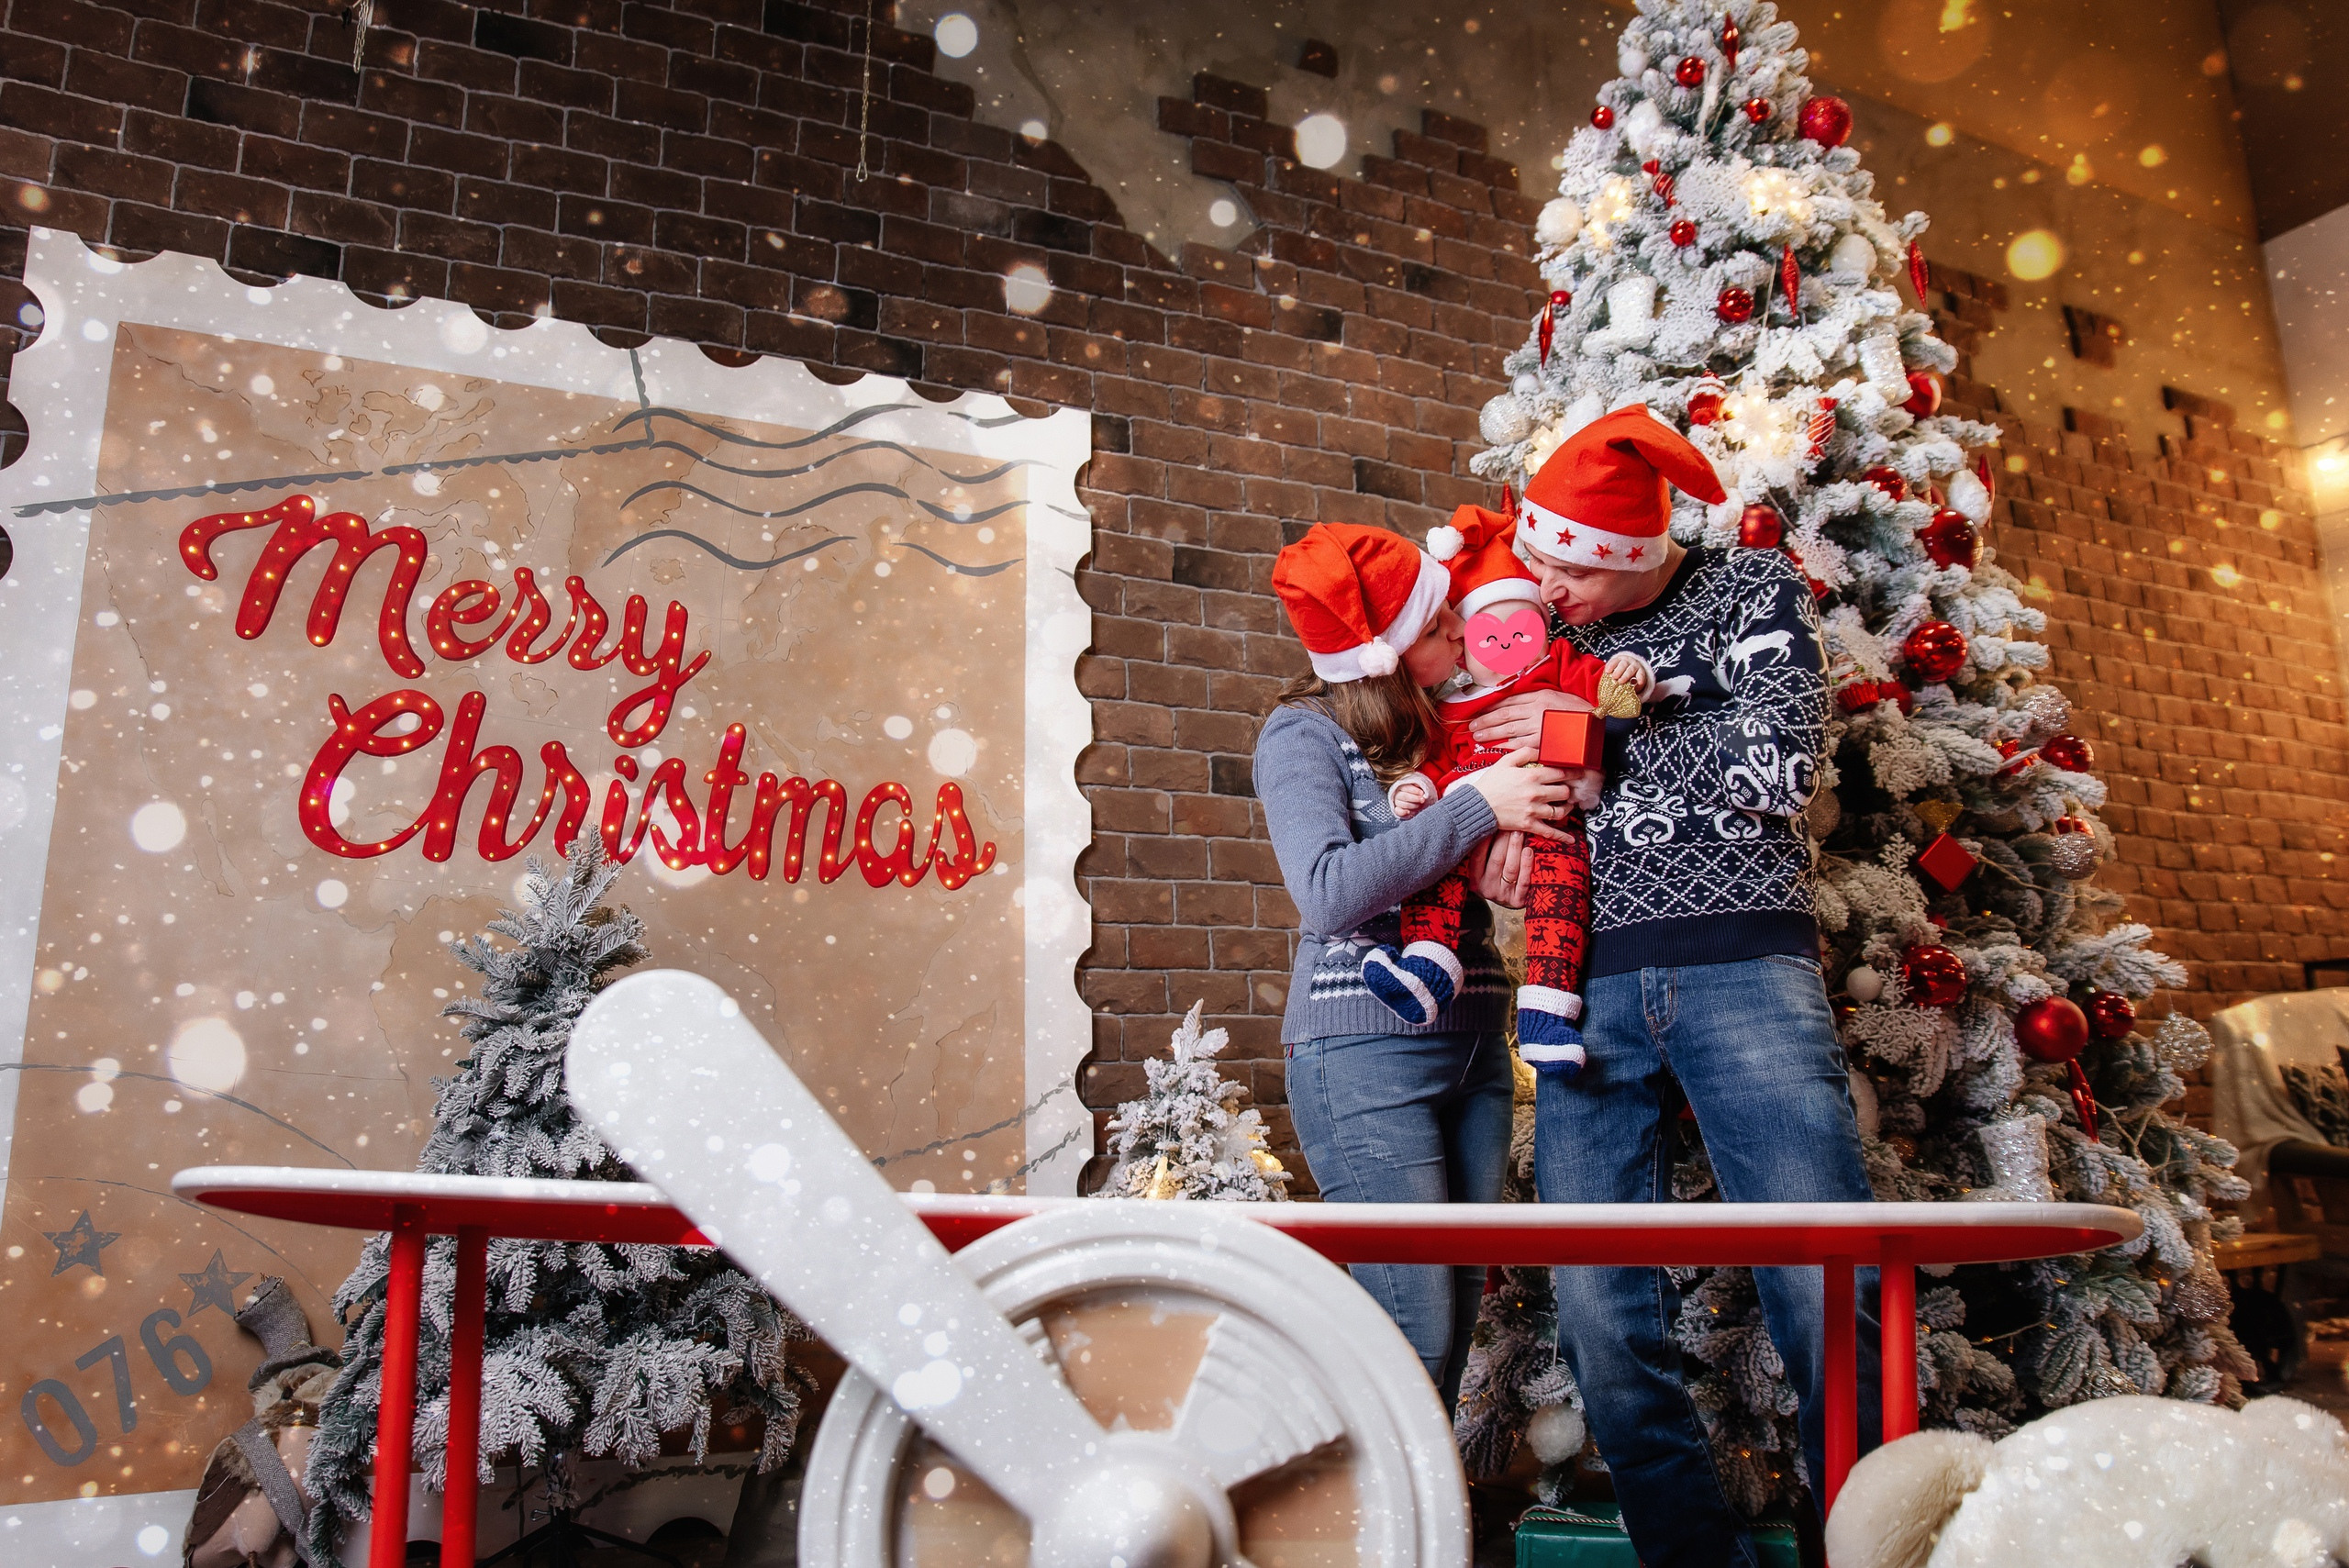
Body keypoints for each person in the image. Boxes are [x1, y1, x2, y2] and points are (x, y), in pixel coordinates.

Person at [1470, 406, 1883, 1567]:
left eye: (1562, 565)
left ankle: (1864, 1540)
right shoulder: (1546, 625)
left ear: (1627, 550)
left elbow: (1781, 763)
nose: (1542, 588)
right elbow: (1514, 770)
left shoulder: (1753, 588)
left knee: (1818, 1277)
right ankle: (1691, 1555)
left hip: (1744, 965)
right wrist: (1506, 820)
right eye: (1533, 558)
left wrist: (1593, 738)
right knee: (1600, 1305)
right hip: (1581, 983)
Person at [1257, 520, 1576, 1406]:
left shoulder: (1448, 726)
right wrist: (1477, 809)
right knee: (1410, 1327)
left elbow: (1462, 858)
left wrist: (1509, 856)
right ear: (1387, 652)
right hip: (1364, 1051)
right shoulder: (1303, 733)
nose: (1459, 637)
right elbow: (1327, 891)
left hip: (1474, 1042)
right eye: (1437, 629)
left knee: (1455, 1324)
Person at [1366, 505, 1655, 1078]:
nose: (1506, 645)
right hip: (1472, 819)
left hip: (1550, 817)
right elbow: (1438, 761)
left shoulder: (1560, 667)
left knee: (1564, 883)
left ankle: (1547, 1013)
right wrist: (1419, 787)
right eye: (1488, 636)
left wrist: (1629, 676)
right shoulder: (1450, 704)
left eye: (1520, 631)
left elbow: (1613, 706)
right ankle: (1427, 966)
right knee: (1435, 864)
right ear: (1463, 643)